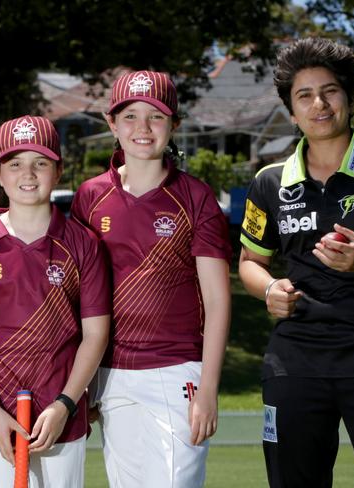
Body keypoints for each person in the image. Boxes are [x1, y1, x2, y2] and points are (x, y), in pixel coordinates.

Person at [238, 37, 354, 488]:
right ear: (292, 112)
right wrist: (270, 289)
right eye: (304, 95)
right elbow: (249, 262)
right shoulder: (269, 182)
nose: (320, 104)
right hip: (294, 364)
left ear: (348, 98)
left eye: (330, 91)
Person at [71, 70, 232, 488]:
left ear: (174, 125)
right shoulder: (90, 197)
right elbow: (77, 297)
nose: (142, 129)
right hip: (111, 373)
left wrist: (209, 388)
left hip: (178, 370)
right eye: (130, 117)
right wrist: (82, 383)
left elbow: (216, 300)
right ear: (111, 124)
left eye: (155, 117)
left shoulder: (196, 197)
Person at [0, 115, 111, 488]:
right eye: (15, 163)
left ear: (57, 171)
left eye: (40, 163)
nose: (28, 173)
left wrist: (65, 405)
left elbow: (95, 335)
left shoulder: (82, 243)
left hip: (60, 415)